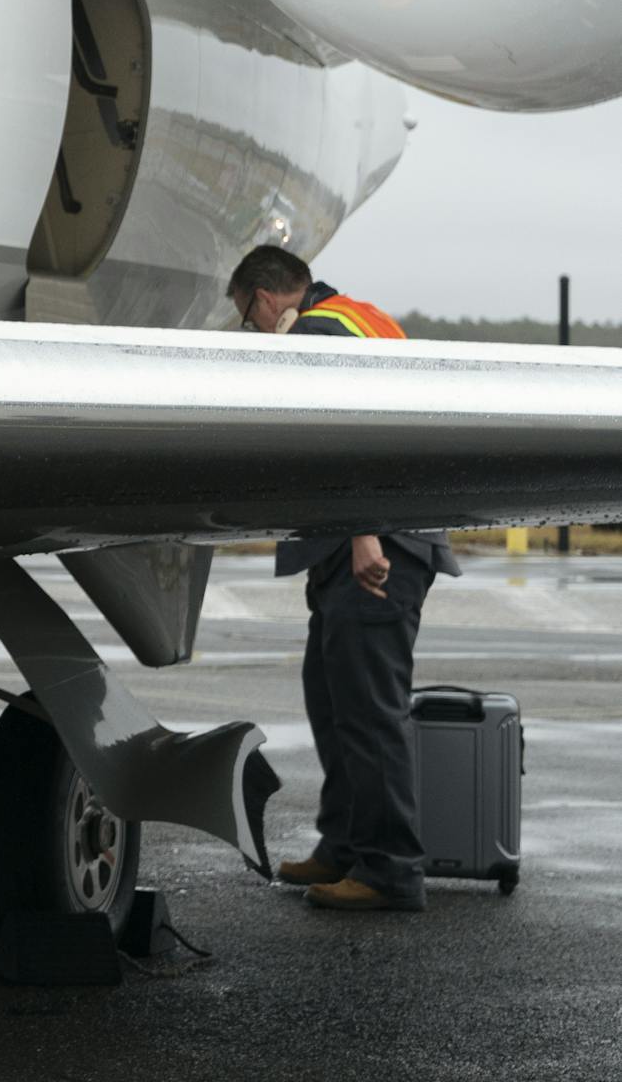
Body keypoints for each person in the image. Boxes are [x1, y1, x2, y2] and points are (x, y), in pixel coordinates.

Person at [227, 244, 461, 913]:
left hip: (377, 548)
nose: (253, 330)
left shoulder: (311, 332)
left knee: (368, 717)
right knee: (335, 705)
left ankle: (389, 870)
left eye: (247, 317)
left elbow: (354, 431)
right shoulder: (358, 316)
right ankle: (345, 846)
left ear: (266, 300)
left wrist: (363, 532)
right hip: (373, 541)